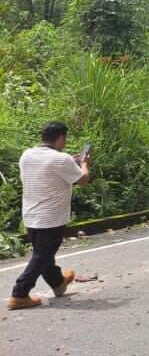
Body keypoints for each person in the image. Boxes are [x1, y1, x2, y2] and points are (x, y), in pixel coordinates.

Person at [8, 122, 91, 311]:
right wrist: (84, 164)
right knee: (42, 255)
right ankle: (19, 294)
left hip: (31, 215)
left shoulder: (27, 155)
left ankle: (58, 282)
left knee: (43, 254)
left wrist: (70, 161)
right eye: (65, 138)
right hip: (51, 218)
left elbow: (45, 170)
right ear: (61, 137)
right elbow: (84, 179)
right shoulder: (61, 160)